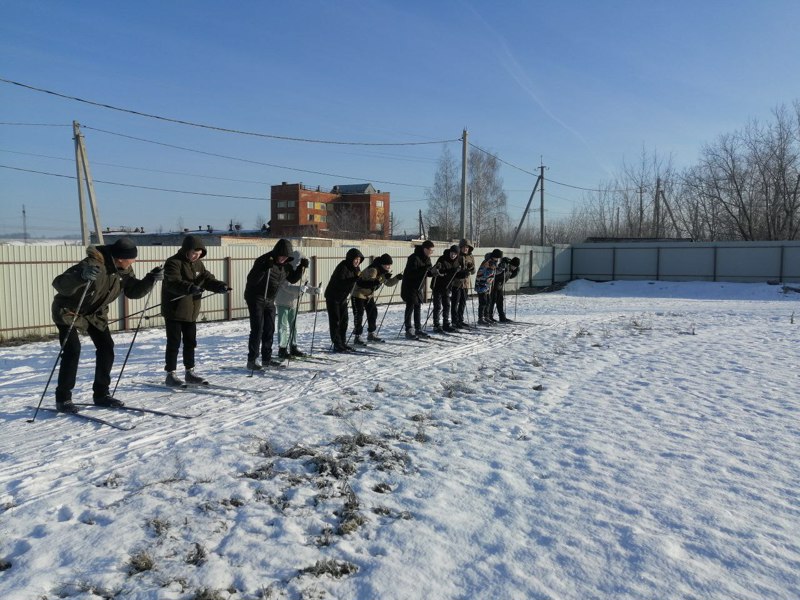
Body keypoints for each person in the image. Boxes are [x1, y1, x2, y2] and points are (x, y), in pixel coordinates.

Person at [51, 237, 163, 413]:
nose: (134, 261)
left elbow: (133, 292)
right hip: (69, 311)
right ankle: (63, 398)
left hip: (95, 314)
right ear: (119, 258)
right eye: (131, 258)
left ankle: (101, 394)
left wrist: (150, 279)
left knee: (106, 347)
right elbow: (59, 284)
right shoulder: (92, 264)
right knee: (72, 350)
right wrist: (81, 276)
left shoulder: (123, 270)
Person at [162, 235, 230, 386]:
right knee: (174, 342)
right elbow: (173, 283)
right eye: (194, 253)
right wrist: (190, 288)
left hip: (191, 311)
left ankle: (189, 372)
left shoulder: (198, 264)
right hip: (174, 310)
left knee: (190, 342)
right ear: (187, 250)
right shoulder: (173, 262)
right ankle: (170, 373)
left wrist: (220, 286)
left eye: (199, 255)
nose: (196, 256)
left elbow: (207, 279)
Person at [244, 239, 307, 370]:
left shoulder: (285, 265)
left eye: (286, 257)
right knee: (258, 329)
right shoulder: (264, 260)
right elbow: (252, 280)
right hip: (256, 297)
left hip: (270, 299)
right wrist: (264, 268)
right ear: (277, 253)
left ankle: (266, 358)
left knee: (270, 329)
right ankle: (252, 360)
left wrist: (302, 268)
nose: (283, 259)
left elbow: (293, 278)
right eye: (282, 256)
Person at [275, 251, 320, 358]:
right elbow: (285, 286)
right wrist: (299, 289)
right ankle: (282, 348)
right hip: (283, 301)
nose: (302, 264)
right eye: (301, 262)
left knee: (294, 326)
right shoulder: (286, 269)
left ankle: (293, 346)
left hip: (295, 302)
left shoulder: (303, 270)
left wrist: (314, 290)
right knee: (283, 326)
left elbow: (305, 284)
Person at [351, 253, 402, 345]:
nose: (389, 267)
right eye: (387, 265)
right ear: (382, 264)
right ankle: (357, 336)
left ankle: (371, 333)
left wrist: (397, 278)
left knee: (373, 312)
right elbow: (371, 283)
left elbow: (389, 283)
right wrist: (382, 279)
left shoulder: (382, 271)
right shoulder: (373, 270)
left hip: (369, 295)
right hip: (358, 294)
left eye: (390, 265)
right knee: (359, 314)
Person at [325, 247, 364, 352]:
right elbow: (341, 283)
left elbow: (359, 282)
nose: (357, 261)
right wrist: (354, 279)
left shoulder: (356, 269)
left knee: (344, 321)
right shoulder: (343, 267)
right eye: (356, 259)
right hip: (333, 297)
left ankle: (343, 342)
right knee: (336, 321)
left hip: (342, 298)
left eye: (359, 260)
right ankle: (337, 344)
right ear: (351, 258)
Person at [401, 240, 435, 339]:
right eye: (430, 250)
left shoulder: (427, 258)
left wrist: (434, 272)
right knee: (410, 307)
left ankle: (418, 329)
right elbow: (411, 274)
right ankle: (408, 329)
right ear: (425, 249)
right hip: (410, 286)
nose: (431, 253)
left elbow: (427, 272)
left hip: (419, 286)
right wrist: (425, 269)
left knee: (417, 307)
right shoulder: (414, 258)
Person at [431, 245, 461, 333]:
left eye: (455, 254)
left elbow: (455, 274)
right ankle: (436, 325)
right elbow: (439, 272)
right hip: (438, 285)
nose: (453, 255)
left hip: (448, 286)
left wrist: (461, 274)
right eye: (452, 253)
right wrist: (445, 270)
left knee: (447, 305)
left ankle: (446, 324)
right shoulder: (442, 259)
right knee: (437, 306)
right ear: (449, 252)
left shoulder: (457, 262)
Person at [451, 238, 475, 328]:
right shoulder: (457, 255)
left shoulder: (471, 256)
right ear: (461, 247)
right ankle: (454, 321)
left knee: (463, 302)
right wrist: (461, 271)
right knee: (455, 303)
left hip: (466, 283)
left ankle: (460, 320)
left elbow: (473, 270)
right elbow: (454, 269)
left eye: (467, 247)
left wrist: (471, 268)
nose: (466, 249)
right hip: (457, 283)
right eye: (464, 247)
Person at [475, 249, 503, 324]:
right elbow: (482, 273)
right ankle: (481, 318)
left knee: (488, 301)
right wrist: (490, 271)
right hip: (481, 284)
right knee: (483, 302)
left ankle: (486, 316)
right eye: (497, 257)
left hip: (487, 285)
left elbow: (494, 273)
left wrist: (500, 270)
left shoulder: (493, 262)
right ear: (494, 256)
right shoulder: (487, 262)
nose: (497, 259)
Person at [490, 256, 520, 322]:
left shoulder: (511, 270)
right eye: (514, 266)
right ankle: (489, 316)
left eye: (516, 267)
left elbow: (511, 276)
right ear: (511, 264)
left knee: (500, 302)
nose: (514, 268)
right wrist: (504, 268)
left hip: (500, 287)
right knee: (492, 301)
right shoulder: (505, 266)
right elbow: (496, 273)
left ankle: (502, 317)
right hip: (494, 286)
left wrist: (516, 272)